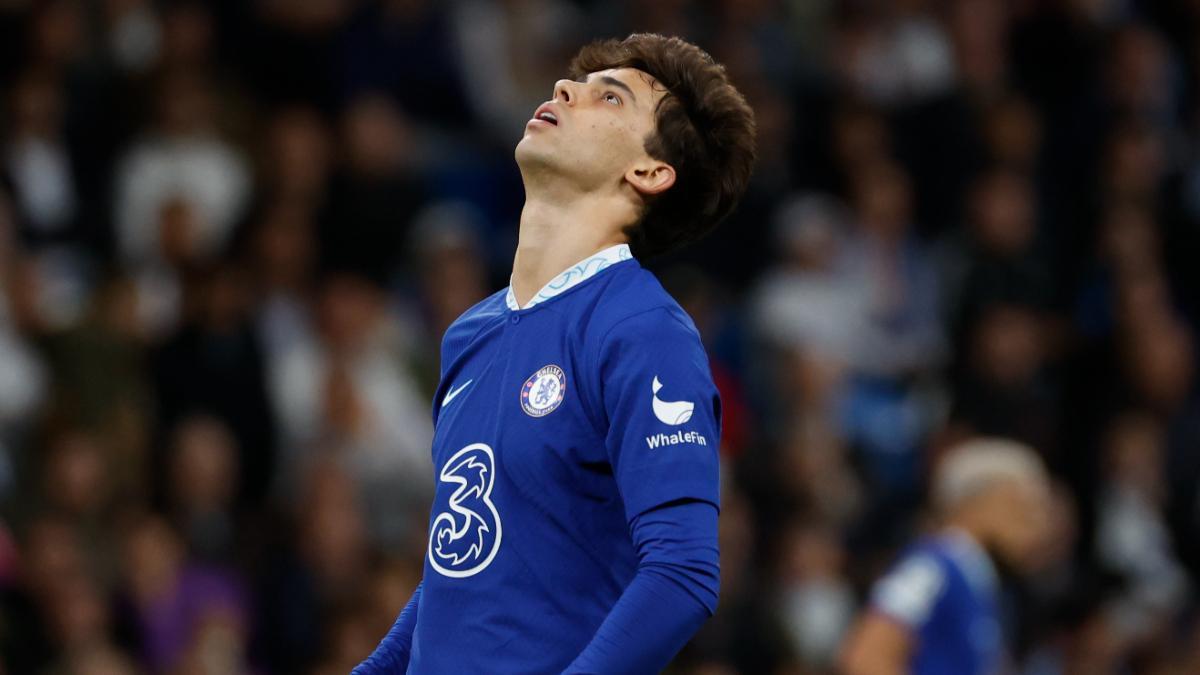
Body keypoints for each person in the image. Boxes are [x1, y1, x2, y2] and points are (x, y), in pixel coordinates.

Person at [353, 33, 756, 673]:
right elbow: (460, 567)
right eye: (576, 83)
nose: (566, 88)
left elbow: (683, 573)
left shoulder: (643, 329)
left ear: (650, 172)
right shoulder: (469, 333)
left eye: (611, 98)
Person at [838, 438, 1052, 675]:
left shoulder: (977, 579)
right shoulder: (933, 567)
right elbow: (866, 659)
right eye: (1022, 507)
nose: (1037, 525)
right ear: (978, 501)